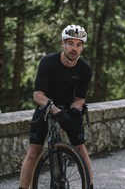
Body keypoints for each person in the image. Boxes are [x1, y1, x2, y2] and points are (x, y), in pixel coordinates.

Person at [19, 24, 94, 189]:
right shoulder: (48, 62)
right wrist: (56, 111)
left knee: (81, 149)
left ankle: (89, 186)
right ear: (63, 44)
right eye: (70, 43)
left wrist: (75, 110)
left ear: (82, 48)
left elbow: (80, 98)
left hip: (69, 108)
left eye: (79, 44)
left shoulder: (85, 70)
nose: (74, 48)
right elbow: (37, 95)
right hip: (45, 107)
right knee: (33, 152)